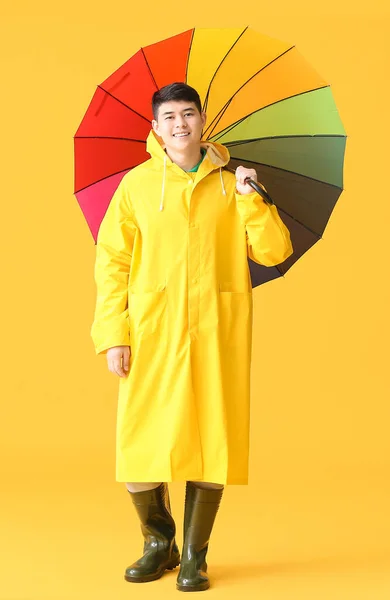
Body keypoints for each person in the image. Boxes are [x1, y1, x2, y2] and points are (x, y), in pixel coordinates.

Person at [91, 82, 293, 592]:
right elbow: (112, 264)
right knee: (139, 443)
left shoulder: (232, 184)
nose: (180, 124)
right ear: (155, 128)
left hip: (215, 331)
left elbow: (272, 253)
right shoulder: (136, 186)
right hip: (153, 331)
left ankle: (194, 557)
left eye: (189, 114)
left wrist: (253, 199)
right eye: (170, 117)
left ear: (203, 121)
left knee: (211, 441)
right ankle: (159, 544)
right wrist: (115, 332)